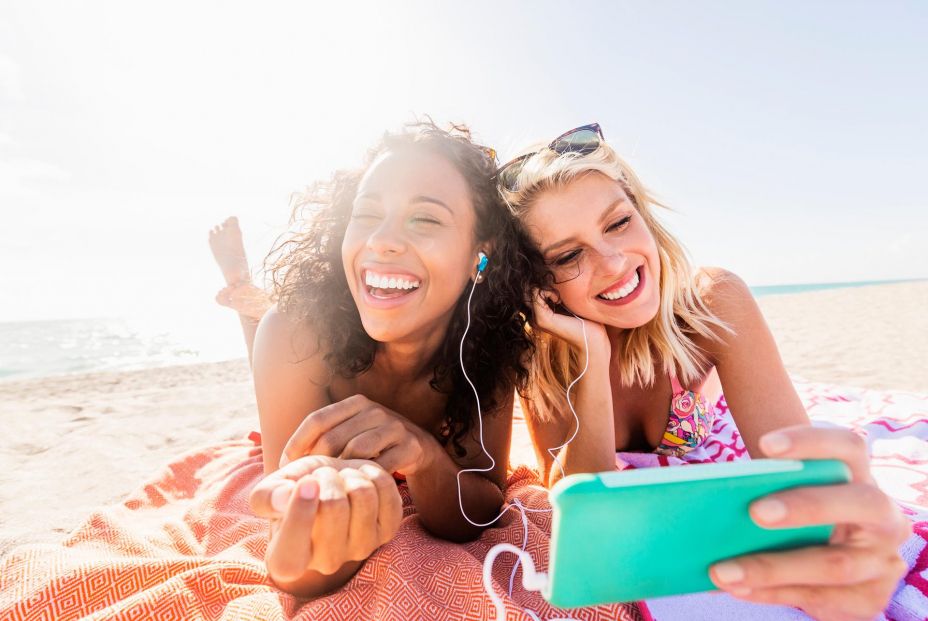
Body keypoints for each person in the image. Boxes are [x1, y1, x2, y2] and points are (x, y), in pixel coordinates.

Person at [499, 123, 910, 620]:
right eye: (568, 256)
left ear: (643, 215)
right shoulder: (541, 360)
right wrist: (592, 356)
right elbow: (582, 514)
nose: (612, 262)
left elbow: (807, 494)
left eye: (618, 223)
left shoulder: (710, 305)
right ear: (537, 283)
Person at [237, 122, 537, 599]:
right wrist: (314, 545)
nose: (382, 240)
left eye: (426, 219)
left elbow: (480, 509)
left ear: (481, 254)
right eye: (367, 213)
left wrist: (421, 454)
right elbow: (296, 566)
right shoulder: (294, 333)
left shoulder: (490, 349)